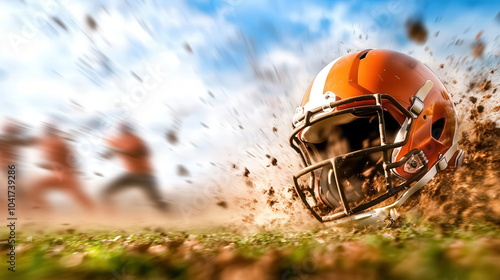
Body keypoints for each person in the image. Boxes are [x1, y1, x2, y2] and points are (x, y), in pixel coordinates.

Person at [101, 122, 167, 212]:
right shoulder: (119, 141)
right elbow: (112, 151)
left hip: (145, 176)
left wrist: (121, 151)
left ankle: (172, 217)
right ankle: (111, 216)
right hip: (131, 175)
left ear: (129, 129)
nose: (123, 130)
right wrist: (108, 154)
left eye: (125, 128)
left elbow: (141, 152)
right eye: (121, 128)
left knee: (157, 202)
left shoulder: (136, 140)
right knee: (106, 192)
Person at [29, 123, 94, 211]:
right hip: (63, 175)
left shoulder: (57, 143)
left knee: (80, 197)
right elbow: (69, 159)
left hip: (65, 175)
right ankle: (45, 211)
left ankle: (45, 211)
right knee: (80, 197)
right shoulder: (51, 143)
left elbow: (70, 159)